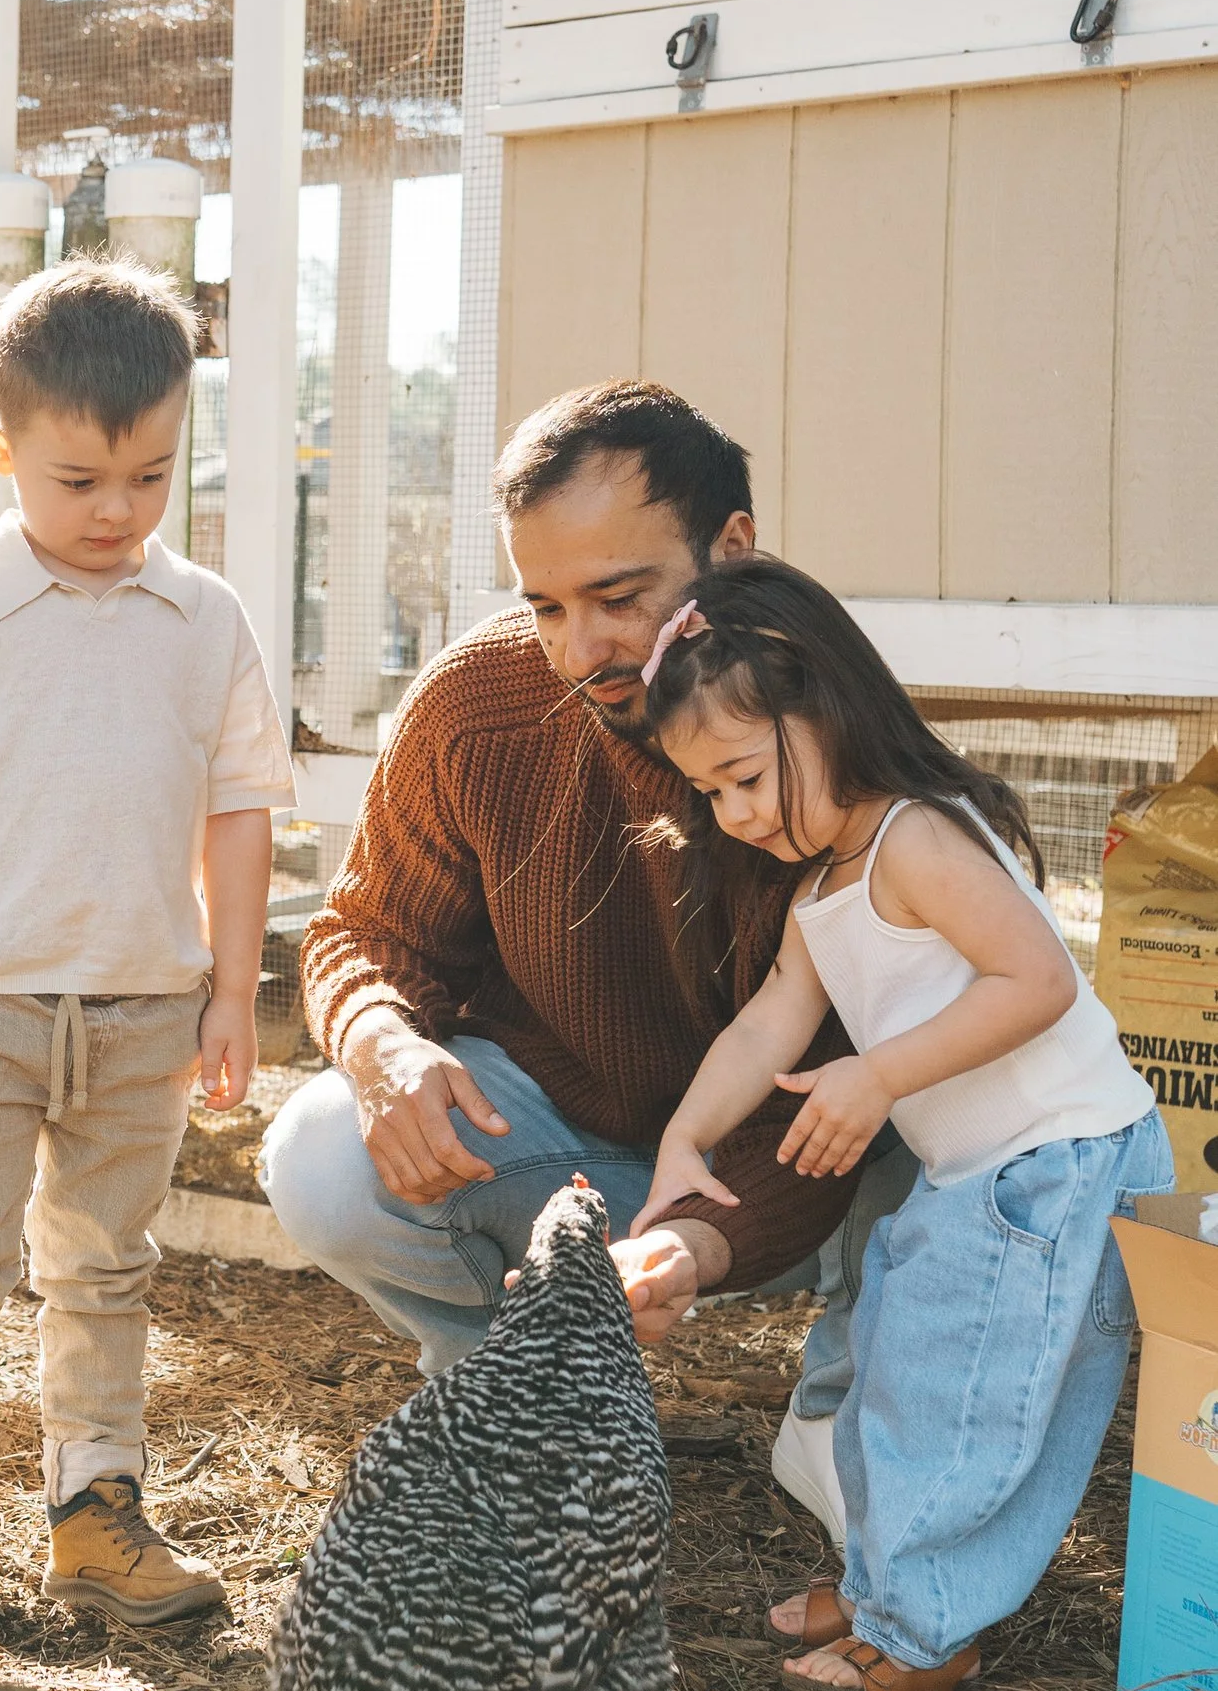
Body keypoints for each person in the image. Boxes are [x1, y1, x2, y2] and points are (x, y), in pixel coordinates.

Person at [262, 379, 916, 1523]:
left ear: (731, 546)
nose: (580, 649)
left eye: (618, 597)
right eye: (547, 604)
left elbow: (829, 1094)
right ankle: (526, 1407)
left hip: (802, 1168)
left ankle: (845, 1434)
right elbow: (364, 934)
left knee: (947, 1140)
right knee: (320, 1154)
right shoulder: (479, 699)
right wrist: (380, 1051)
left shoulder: (821, 728)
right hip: (566, 1145)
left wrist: (695, 1247)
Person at [0, 253, 295, 1637]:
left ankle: (95, 1510)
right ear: (4, 449)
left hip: (145, 1009)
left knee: (106, 1265)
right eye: (77, 480)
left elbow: (237, 809)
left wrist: (230, 989)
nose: (116, 511)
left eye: (150, 477)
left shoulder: (205, 620)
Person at [636, 560, 1168, 1691]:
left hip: (1059, 1162)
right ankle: (886, 1581)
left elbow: (1037, 982)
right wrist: (686, 1138)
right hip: (991, 1169)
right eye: (708, 793)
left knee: (963, 1393)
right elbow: (768, 1019)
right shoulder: (825, 880)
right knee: (896, 1366)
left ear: (819, 708)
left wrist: (875, 1076)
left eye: (739, 776)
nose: (731, 815)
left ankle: (926, 1632)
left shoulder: (915, 840)